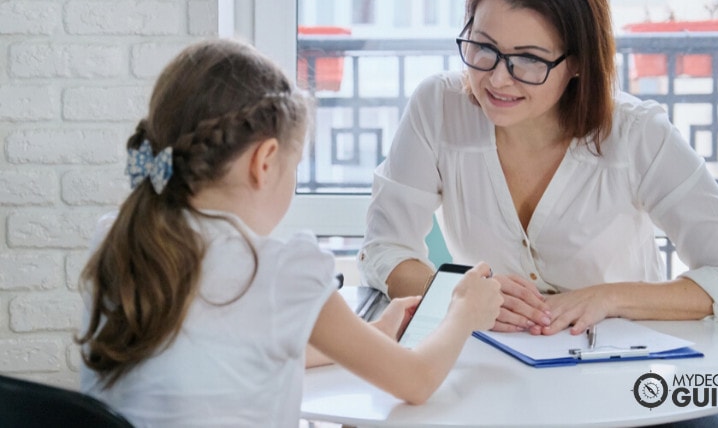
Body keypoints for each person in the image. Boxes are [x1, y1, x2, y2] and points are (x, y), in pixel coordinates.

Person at [76, 38, 502, 428]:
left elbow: (239, 351)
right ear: (264, 161)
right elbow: (417, 381)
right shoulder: (278, 270)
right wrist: (464, 310)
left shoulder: (120, 237)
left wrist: (374, 335)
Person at [359, 0, 718, 336]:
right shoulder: (438, 106)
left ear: (576, 63)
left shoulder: (639, 133)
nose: (498, 78)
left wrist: (607, 298)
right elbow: (385, 249)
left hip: (629, 368)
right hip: (495, 361)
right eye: (484, 48)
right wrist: (460, 298)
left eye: (530, 59)